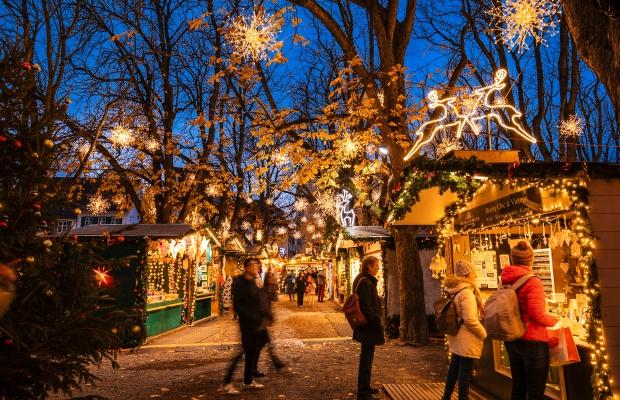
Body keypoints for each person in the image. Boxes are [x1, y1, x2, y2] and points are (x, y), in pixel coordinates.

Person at [502, 241, 558, 400]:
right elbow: (536, 313)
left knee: (518, 387)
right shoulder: (533, 281)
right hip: (533, 341)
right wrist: (555, 320)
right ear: (531, 260)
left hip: (513, 338)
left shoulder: (505, 280)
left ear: (513, 259)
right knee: (535, 391)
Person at [221, 258, 270, 394]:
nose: (256, 268)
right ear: (246, 267)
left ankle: (248, 380)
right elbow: (238, 305)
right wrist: (253, 318)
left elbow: (260, 300)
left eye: (257, 265)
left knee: (251, 352)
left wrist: (265, 316)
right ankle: (227, 382)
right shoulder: (240, 282)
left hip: (257, 323)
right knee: (243, 352)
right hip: (248, 324)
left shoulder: (255, 281)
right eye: (253, 265)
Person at [441, 259, 487, 400]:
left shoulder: (454, 289)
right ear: (467, 275)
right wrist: (483, 333)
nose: (475, 276)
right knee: (465, 371)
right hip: (466, 336)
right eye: (473, 273)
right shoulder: (466, 292)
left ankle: (446, 396)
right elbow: (470, 319)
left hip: (456, 334)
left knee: (454, 368)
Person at [352, 256, 385, 400]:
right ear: (369, 267)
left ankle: (365, 387)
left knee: (367, 358)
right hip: (368, 327)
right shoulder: (365, 282)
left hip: (366, 327)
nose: (378, 268)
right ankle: (362, 393)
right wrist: (376, 320)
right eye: (376, 265)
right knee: (366, 359)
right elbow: (365, 306)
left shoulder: (363, 279)